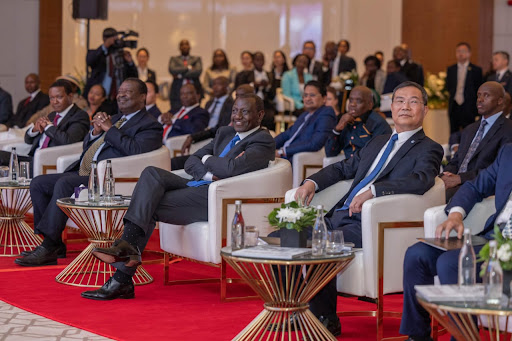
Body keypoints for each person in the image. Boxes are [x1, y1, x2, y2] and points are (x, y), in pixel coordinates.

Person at [81, 93, 276, 300]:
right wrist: (208, 171)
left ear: (260, 114)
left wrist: (208, 158)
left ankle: (122, 273)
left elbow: (231, 168)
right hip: (201, 183)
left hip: (216, 197)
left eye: (245, 111)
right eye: (235, 110)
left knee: (149, 204)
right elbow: (192, 160)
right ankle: (126, 252)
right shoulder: (225, 132)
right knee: (151, 173)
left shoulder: (262, 140)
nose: (237, 116)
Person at [294, 81, 443, 336]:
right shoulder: (377, 142)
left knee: (320, 242)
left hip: (369, 224)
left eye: (413, 101)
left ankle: (324, 317)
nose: (405, 106)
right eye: (399, 101)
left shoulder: (429, 148)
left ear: (425, 110)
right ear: (391, 108)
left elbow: (422, 180)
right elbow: (343, 168)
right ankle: (290, 308)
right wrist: (311, 182)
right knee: (285, 235)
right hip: (338, 215)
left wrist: (374, 191)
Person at [14, 78, 163, 267]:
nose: (121, 95)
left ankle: (48, 246)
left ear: (142, 97)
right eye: (119, 91)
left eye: (128, 91)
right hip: (87, 172)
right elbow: (88, 146)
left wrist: (109, 130)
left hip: (109, 178)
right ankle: (54, 244)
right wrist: (94, 132)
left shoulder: (150, 125)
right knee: (39, 183)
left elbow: (135, 150)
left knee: (65, 184)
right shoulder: (116, 119)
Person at [399, 142, 512, 341]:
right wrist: (455, 215)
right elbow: (475, 186)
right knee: (417, 255)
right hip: (493, 238)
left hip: (508, 247)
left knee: (451, 263)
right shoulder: (508, 152)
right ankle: (418, 336)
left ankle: (464, 338)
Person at [441, 81, 512, 201]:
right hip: (456, 183)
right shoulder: (470, 129)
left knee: (442, 197)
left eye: (486, 95)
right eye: (479, 95)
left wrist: (460, 179)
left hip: (479, 187)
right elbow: (456, 161)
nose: (480, 99)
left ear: (500, 101)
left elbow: (499, 170)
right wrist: (446, 175)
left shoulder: (508, 129)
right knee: (426, 190)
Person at [0, 80, 90, 168]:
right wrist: (34, 130)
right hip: (33, 158)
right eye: (51, 98)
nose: (55, 102)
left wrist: (48, 127)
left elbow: (68, 140)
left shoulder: (80, 116)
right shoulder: (52, 115)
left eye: (59, 97)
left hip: (49, 161)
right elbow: (28, 140)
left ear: (70, 97)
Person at [172, 76, 235, 170]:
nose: (215, 87)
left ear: (227, 87)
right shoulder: (209, 103)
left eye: (219, 84)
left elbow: (221, 128)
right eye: (213, 84)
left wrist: (195, 136)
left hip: (214, 136)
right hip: (203, 133)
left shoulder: (231, 104)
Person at [275, 80, 336, 160]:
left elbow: (315, 143)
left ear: (324, 98)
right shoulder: (305, 114)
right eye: (305, 95)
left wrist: (282, 151)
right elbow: (286, 134)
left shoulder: (327, 113)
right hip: (282, 156)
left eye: (312, 95)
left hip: (292, 158)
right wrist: (267, 146)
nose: (308, 99)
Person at [325, 86, 391, 159]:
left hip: (367, 168)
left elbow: (374, 157)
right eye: (350, 100)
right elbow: (330, 153)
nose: (352, 104)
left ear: (370, 105)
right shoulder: (346, 121)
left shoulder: (378, 123)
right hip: (348, 167)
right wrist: (337, 129)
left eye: (359, 101)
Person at [83, 28, 138, 100]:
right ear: (105, 39)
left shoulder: (122, 56)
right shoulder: (98, 54)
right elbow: (90, 61)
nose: (116, 42)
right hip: (99, 99)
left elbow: (134, 76)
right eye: (114, 40)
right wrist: (105, 46)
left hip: (118, 99)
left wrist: (130, 62)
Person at [446, 42, 484, 133]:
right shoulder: (451, 69)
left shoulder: (476, 70)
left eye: (463, 51)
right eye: (458, 51)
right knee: (453, 133)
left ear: (469, 54)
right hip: (454, 106)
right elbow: (448, 86)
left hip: (469, 107)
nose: (460, 54)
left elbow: (478, 89)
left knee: (469, 132)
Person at [234, 51, 276, 129]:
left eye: (261, 60)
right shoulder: (246, 74)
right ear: (253, 61)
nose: (259, 62)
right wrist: (254, 85)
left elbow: (273, 95)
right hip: (249, 104)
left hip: (265, 103)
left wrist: (267, 86)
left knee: (269, 115)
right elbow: (241, 89)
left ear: (264, 61)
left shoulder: (269, 75)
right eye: (257, 60)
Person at [168, 39, 203, 109]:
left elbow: (198, 71)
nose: (184, 46)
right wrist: (189, 68)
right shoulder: (174, 59)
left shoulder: (197, 59)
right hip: (177, 92)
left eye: (186, 44)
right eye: (182, 45)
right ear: (179, 47)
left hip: (195, 89)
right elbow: (172, 70)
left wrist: (180, 75)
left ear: (190, 47)